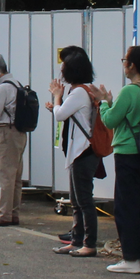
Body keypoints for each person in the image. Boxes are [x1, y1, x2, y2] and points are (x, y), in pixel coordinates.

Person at [100, 46, 140, 273]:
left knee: (126, 206)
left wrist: (104, 102)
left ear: (131, 65)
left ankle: (130, 259)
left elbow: (110, 120)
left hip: (127, 152)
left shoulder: (129, 91)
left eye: (125, 60)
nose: (123, 64)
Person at [47, 51, 101, 255]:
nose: (61, 75)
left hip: (82, 152)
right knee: (77, 199)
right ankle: (77, 241)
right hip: (81, 151)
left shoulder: (79, 92)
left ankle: (89, 244)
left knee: (83, 200)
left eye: (64, 70)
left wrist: (57, 96)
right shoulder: (84, 90)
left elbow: (60, 115)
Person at [0, 55, 27, 226]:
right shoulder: (17, 84)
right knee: (16, 176)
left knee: (5, 175)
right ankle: (13, 212)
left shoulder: (2, 88)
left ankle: (3, 214)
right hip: (20, 132)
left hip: (6, 132)